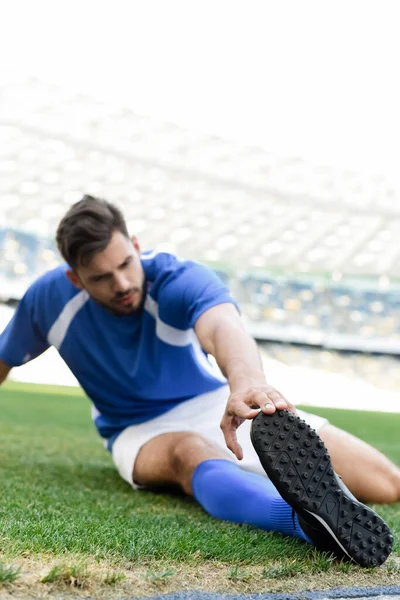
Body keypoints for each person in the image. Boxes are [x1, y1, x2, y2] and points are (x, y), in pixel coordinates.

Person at [0, 195, 398, 568]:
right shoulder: (48, 301)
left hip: (212, 401)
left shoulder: (176, 276)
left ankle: (318, 498)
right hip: (135, 428)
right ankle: (306, 523)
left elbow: (223, 325)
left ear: (135, 246)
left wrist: (245, 383)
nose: (120, 284)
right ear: (75, 279)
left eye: (124, 264)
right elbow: (3, 359)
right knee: (188, 452)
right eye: (101, 277)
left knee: (388, 484)